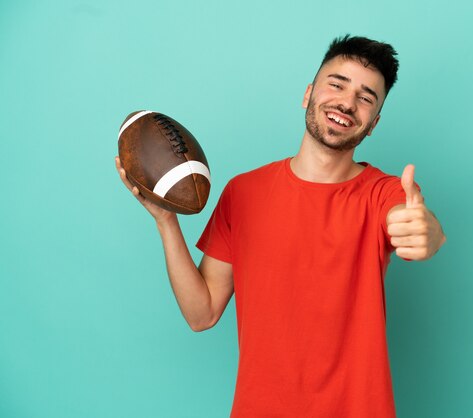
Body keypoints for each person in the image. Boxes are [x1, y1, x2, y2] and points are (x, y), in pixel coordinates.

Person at [115, 34, 446, 418]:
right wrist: (166, 221)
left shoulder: (383, 193)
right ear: (308, 93)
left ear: (373, 123)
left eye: (366, 97)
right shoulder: (243, 193)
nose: (346, 103)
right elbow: (201, 314)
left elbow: (411, 220)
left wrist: (428, 232)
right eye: (336, 84)